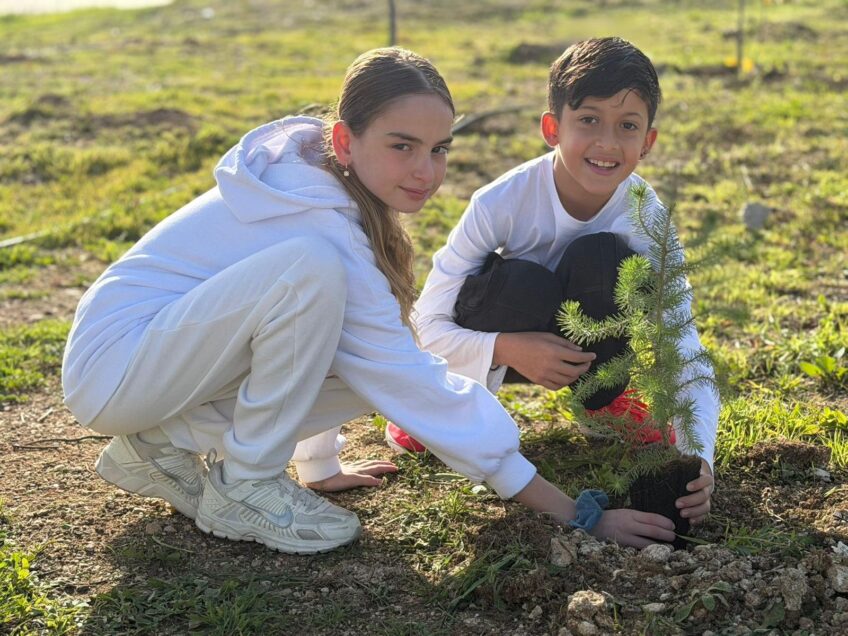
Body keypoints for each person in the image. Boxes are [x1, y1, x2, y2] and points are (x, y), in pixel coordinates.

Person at [62, 46, 678, 555]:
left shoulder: (335, 199)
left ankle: (159, 444)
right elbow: (413, 382)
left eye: (439, 150)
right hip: (114, 365)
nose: (425, 171)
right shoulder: (320, 224)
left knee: (372, 345)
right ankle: (245, 485)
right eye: (402, 145)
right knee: (321, 280)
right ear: (345, 141)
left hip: (153, 369)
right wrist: (576, 513)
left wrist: (320, 462)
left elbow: (352, 354)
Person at [393, 37, 719, 527]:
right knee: (524, 282)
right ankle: (437, 408)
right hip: (501, 334)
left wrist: (699, 458)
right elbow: (425, 328)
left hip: (584, 346)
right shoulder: (499, 202)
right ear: (552, 128)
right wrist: (507, 347)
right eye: (588, 120)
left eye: (627, 126)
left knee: (603, 256)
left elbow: (682, 343)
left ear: (647, 142)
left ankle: (602, 398)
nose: (607, 143)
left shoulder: (647, 217)